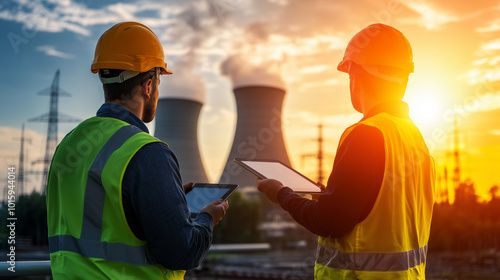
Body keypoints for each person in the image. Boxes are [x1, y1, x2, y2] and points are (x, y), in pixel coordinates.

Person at [46, 22, 228, 279]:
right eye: (159, 81)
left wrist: (166, 198)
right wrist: (207, 218)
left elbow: (101, 217)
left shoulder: (68, 145)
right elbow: (182, 252)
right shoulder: (146, 153)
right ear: (149, 85)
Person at [257, 23, 436, 279]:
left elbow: (328, 222)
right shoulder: (415, 139)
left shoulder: (366, 135)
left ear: (356, 74)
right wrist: (328, 197)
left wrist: (282, 194)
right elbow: (372, 211)